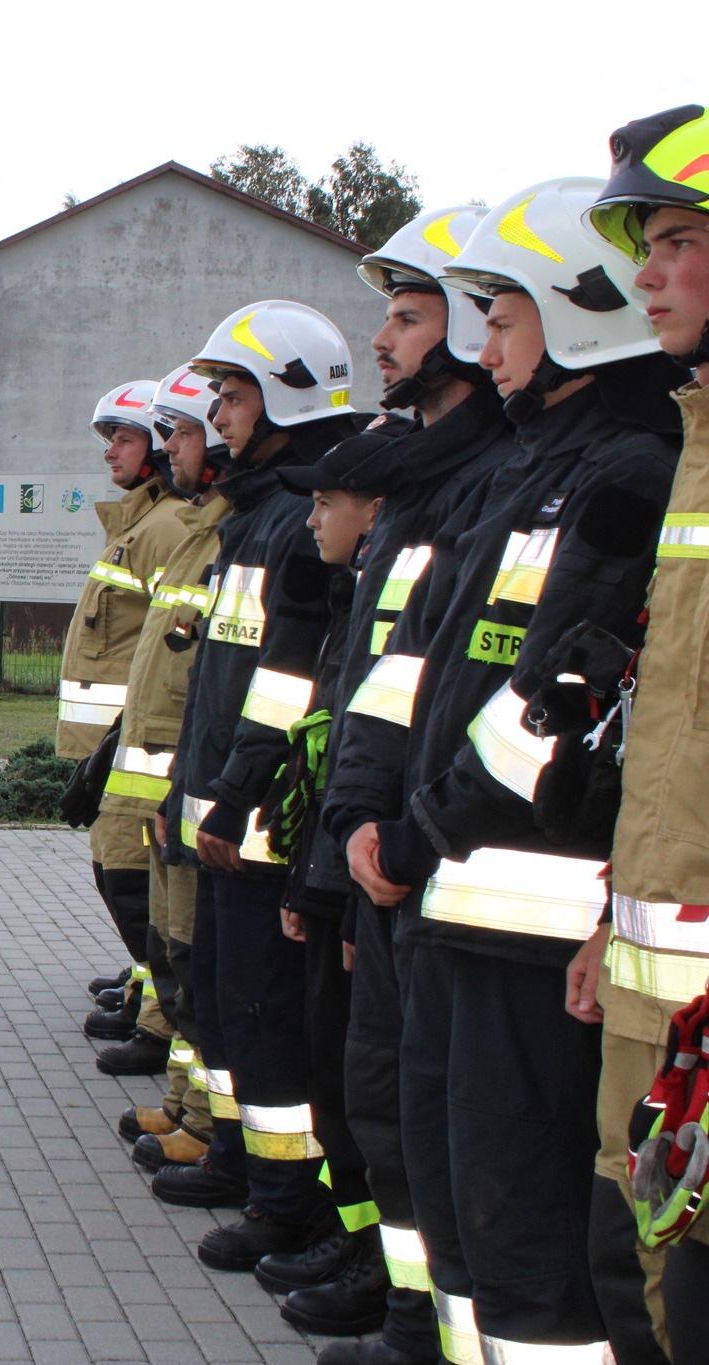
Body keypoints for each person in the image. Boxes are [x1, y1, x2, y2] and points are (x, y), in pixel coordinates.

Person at [353, 177, 678, 1364]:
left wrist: (408, 832)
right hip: (450, 902)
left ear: (576, 317)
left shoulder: (624, 476)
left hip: (520, 923)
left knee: (529, 1244)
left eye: (499, 318)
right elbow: (429, 675)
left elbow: (547, 711)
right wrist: (373, 819)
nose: (479, 345)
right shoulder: (536, 471)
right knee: (463, 1223)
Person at [304, 204, 515, 1365]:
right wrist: (348, 834)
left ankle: (424, 1326)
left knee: (447, 1133)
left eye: (406, 315)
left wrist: (391, 836)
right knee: (387, 1107)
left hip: (442, 865)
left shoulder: (487, 485)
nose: (382, 340)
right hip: (385, 850)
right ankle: (405, 1314)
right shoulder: (428, 482)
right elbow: (378, 686)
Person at [154, 301, 362, 1272]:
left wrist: (232, 794)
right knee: (233, 1007)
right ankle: (246, 1163)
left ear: (281, 394)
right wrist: (185, 793)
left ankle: (284, 1204)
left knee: (266, 1022)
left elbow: (284, 683)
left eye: (231, 395)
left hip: (263, 826)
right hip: (227, 810)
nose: (217, 412)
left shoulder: (289, 526)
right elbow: (217, 683)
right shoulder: (259, 520)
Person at [580, 103, 709, 1362]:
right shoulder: (690, 455)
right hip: (652, 1012)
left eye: (674, 238)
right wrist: (604, 919)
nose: (645, 273)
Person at [262, 434, 393, 1336]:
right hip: (332, 861)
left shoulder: (386, 590)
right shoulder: (353, 592)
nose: (311, 520)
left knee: (361, 1090)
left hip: (363, 874)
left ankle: (374, 1265)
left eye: (326, 503)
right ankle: (353, 1241)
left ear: (373, 509)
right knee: (335, 1072)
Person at [105, 363, 232, 1176]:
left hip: (196, 786)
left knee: (193, 955)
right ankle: (191, 1109)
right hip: (165, 780)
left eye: (180, 432)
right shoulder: (194, 531)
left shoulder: (222, 534)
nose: (165, 446)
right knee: (176, 947)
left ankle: (213, 1130)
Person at [61, 381, 191, 1070]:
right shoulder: (141, 525)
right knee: (126, 875)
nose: (110, 448)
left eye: (124, 436)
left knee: (132, 877)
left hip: (140, 743)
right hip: (118, 738)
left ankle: (159, 1016)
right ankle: (147, 989)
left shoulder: (166, 528)